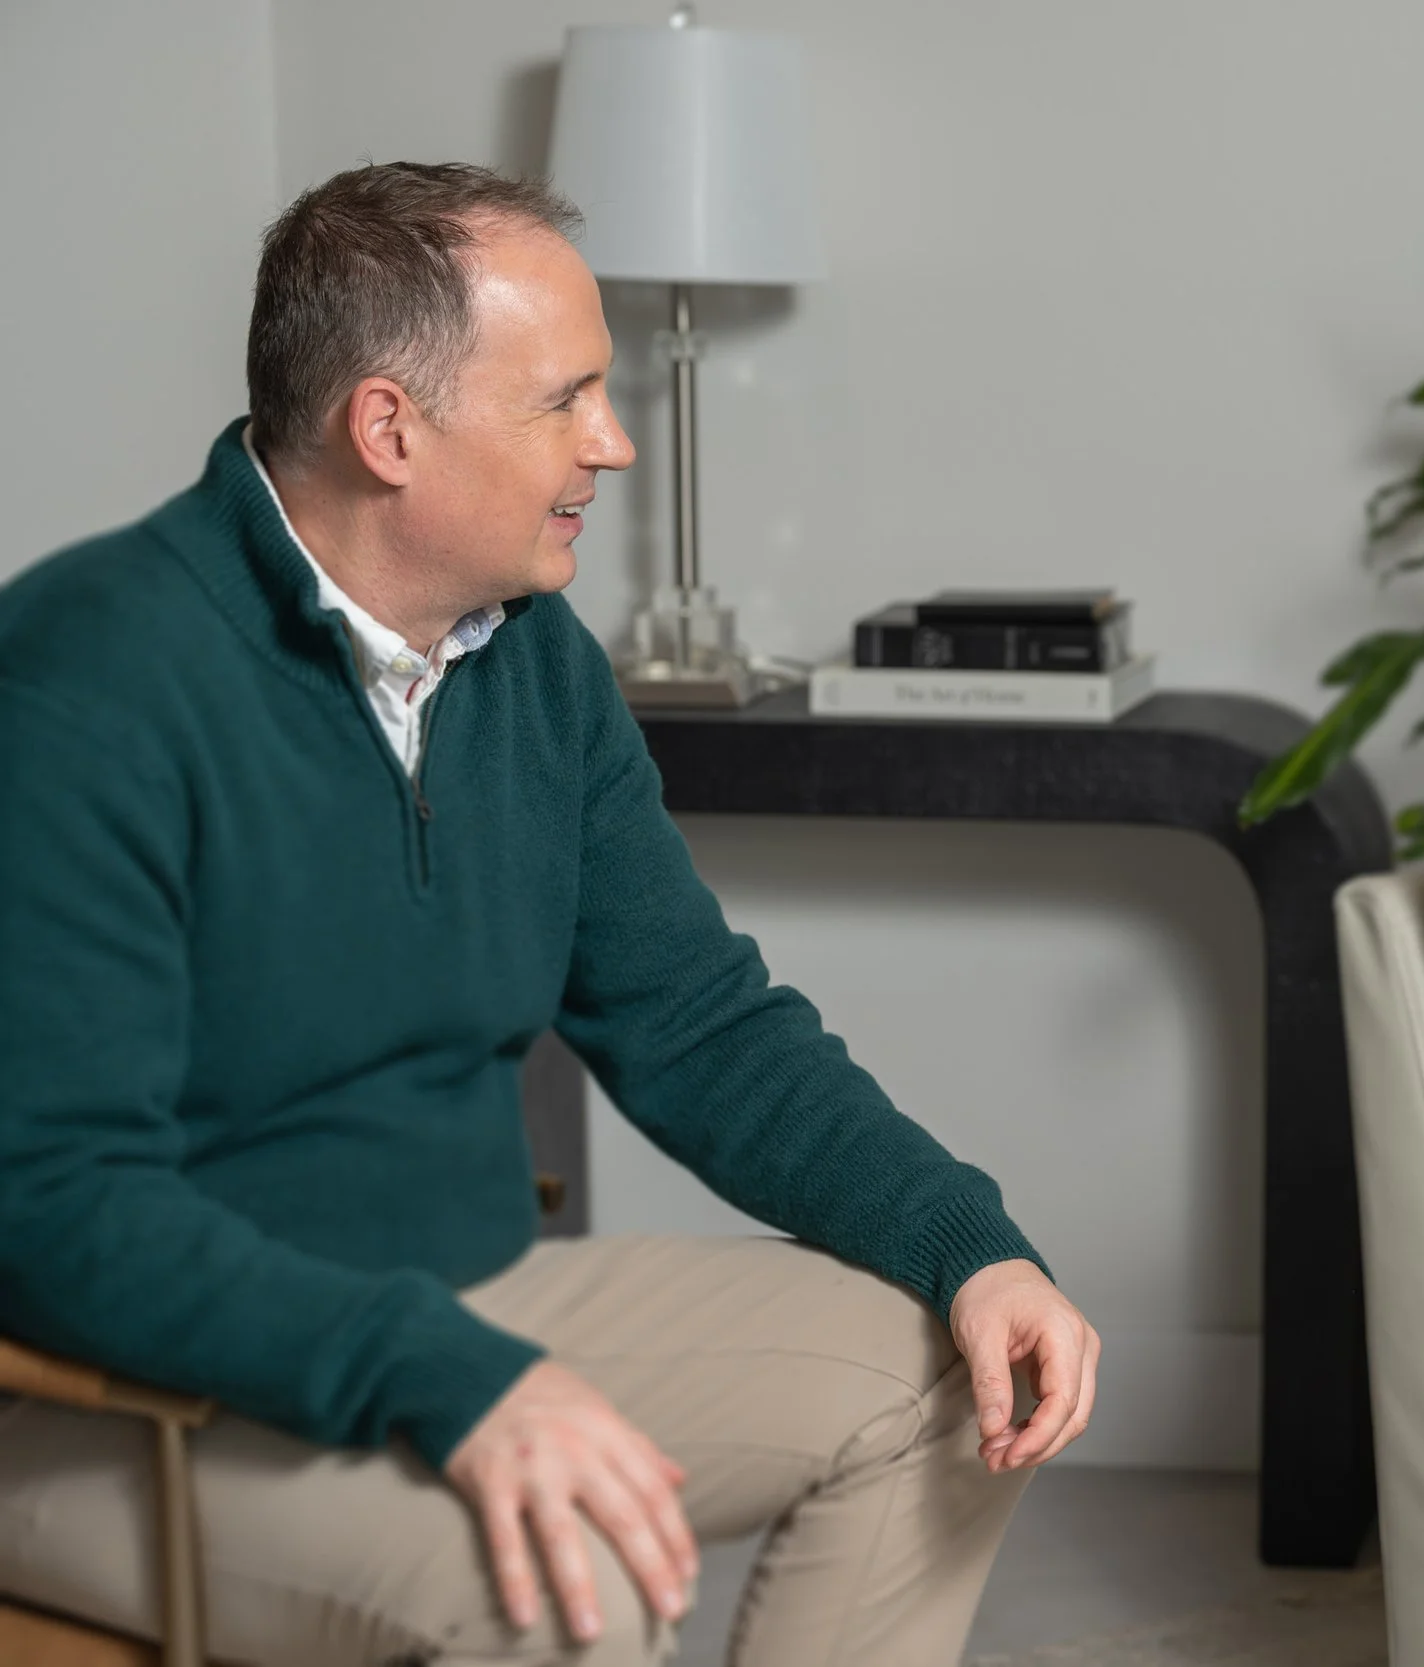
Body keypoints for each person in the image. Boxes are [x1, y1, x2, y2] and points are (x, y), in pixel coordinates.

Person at [0, 162, 1100, 1667]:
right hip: (111, 1398)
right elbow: (49, 1200)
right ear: (388, 428)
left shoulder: (526, 658)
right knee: (569, 1582)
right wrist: (441, 1372)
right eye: (565, 398)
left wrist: (970, 1244)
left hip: (458, 1305)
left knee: (955, 1379)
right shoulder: (88, 677)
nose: (616, 441)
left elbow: (699, 1021)